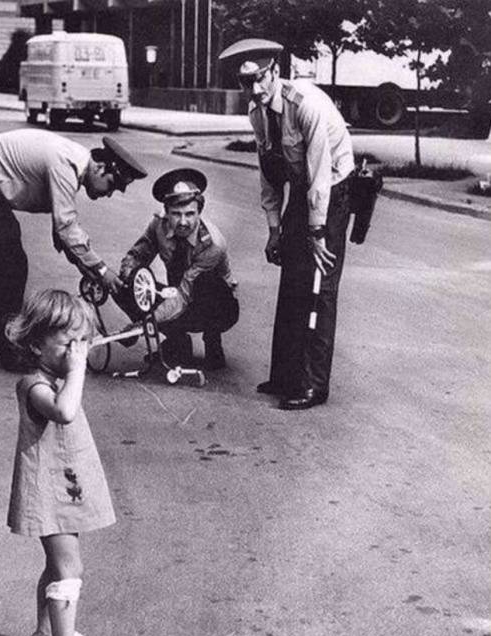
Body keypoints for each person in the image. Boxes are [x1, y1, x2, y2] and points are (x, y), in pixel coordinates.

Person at [219, 39, 355, 409]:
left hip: (334, 187)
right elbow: (270, 173)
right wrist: (275, 230)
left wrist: (315, 231)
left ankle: (313, 384)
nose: (256, 89)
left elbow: (320, 175)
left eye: (261, 78)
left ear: (276, 71)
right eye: (247, 82)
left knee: (317, 285)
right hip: (302, 185)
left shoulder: (304, 104)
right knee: (292, 278)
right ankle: (285, 376)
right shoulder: (257, 112)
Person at [0, 130, 147, 372]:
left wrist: (91, 270)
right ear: (101, 167)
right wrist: (102, 270)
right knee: (4, 265)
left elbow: (63, 234)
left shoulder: (73, 164)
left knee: (10, 261)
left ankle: (12, 344)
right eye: (112, 185)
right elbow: (65, 228)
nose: (109, 193)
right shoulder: (66, 164)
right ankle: (10, 352)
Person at [5, 289, 115, 636]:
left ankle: (45, 633)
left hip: (62, 486)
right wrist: (78, 369)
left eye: (82, 341)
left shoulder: (57, 375)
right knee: (70, 568)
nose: (76, 350)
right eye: (68, 342)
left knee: (55, 564)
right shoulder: (34, 385)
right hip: (47, 492)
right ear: (37, 345)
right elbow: (64, 412)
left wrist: (73, 364)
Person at [104, 168, 239, 370]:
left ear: (199, 212)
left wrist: (144, 325)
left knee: (206, 282)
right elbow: (136, 256)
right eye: (176, 214)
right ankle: (178, 342)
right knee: (125, 284)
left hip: (215, 307)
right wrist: (130, 279)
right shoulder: (158, 225)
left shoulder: (212, 244)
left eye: (190, 214)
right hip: (177, 295)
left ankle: (213, 342)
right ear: (166, 212)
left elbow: (184, 295)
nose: (183, 222)